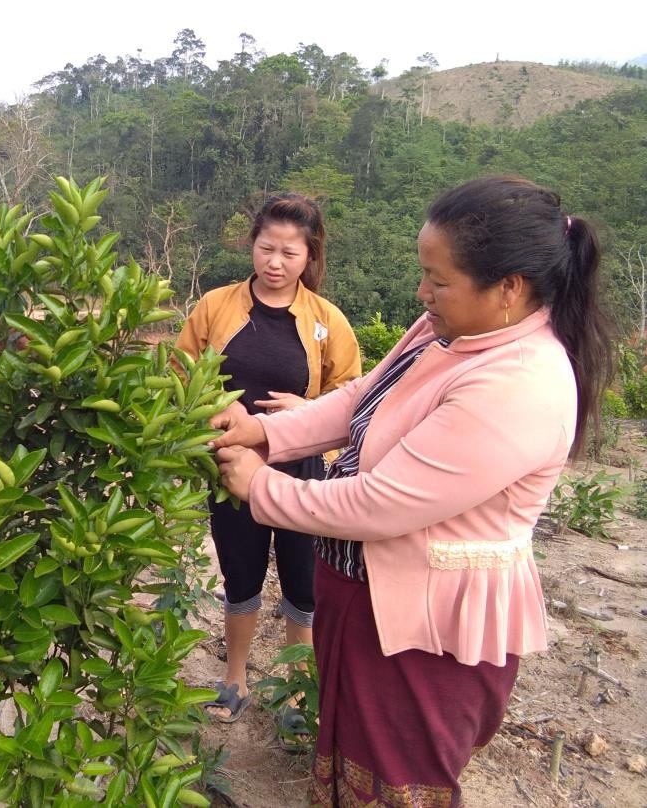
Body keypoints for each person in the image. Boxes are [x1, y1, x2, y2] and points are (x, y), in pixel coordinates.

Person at [214, 176, 614, 806]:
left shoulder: (519, 382)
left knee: (400, 779)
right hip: (363, 597)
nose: (423, 293)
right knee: (351, 763)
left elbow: (381, 504)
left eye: (440, 280)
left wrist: (259, 484)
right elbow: (358, 401)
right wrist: (263, 429)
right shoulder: (444, 332)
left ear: (509, 288)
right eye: (425, 273)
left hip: (424, 629)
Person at [175, 193, 360, 725]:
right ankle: (234, 676)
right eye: (265, 248)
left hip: (301, 468)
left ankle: (299, 690)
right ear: (251, 245)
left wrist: (309, 411)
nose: (274, 263)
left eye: (289, 253)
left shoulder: (327, 320)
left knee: (304, 582)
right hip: (231, 465)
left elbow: (353, 393)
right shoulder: (217, 305)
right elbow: (182, 366)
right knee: (241, 574)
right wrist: (213, 399)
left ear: (310, 258)